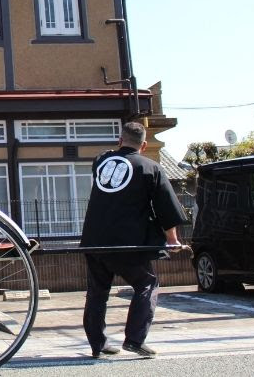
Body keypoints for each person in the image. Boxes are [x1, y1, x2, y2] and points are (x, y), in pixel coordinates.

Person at [80, 121, 187, 359]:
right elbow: (165, 206)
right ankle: (135, 340)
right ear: (145, 145)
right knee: (147, 284)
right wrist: (172, 239)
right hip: (128, 241)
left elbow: (106, 156)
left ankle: (97, 344)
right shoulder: (150, 167)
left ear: (119, 141)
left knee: (97, 292)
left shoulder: (100, 163)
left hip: (94, 239)